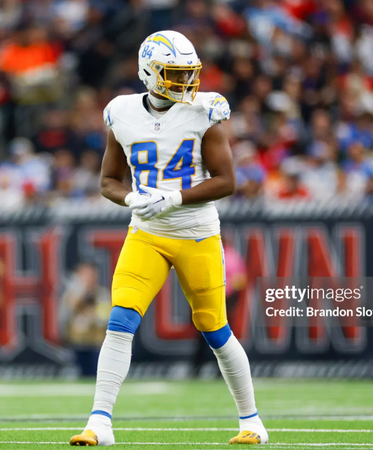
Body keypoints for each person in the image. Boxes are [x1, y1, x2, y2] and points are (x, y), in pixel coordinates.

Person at [69, 30, 268, 446]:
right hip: (147, 233)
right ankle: (100, 423)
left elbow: (227, 181)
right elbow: (108, 180)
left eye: (188, 72)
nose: (185, 82)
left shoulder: (204, 111)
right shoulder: (121, 112)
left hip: (196, 233)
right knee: (120, 320)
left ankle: (252, 422)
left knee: (215, 329)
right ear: (148, 72)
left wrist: (173, 197)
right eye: (174, 73)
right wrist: (131, 199)